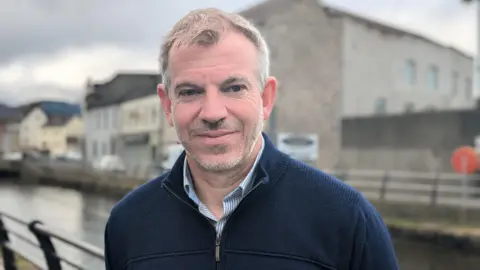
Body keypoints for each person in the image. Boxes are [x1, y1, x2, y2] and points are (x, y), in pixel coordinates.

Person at [104, 7, 399, 270]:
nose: (213, 112)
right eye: (190, 92)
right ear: (168, 105)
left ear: (265, 99)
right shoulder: (128, 224)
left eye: (234, 88)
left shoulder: (345, 219)